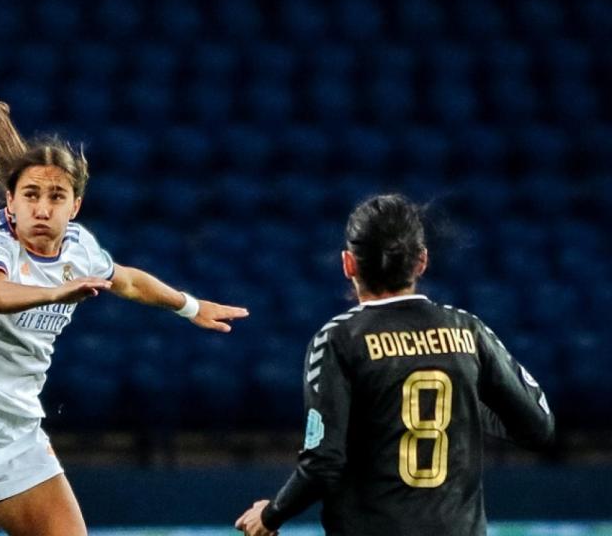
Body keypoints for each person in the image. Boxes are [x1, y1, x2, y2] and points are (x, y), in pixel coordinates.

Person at [0, 93, 249, 535]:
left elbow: (126, 280)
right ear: (10, 202)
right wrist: (53, 292)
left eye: (56, 196)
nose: (42, 208)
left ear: (75, 206)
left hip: (20, 429)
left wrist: (191, 306)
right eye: (30, 195)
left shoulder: (81, 248)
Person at [235, 194, 556, 536]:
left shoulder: (339, 340)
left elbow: (323, 463)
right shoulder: (467, 331)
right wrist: (464, 406)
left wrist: (270, 515)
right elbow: (538, 426)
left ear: (348, 264)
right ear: (421, 262)